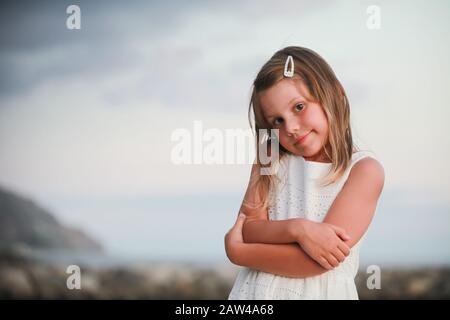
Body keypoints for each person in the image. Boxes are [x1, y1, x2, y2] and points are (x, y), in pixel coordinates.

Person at [224, 46, 385, 299]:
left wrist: (238, 253)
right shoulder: (269, 157)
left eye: (299, 107)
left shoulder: (363, 171)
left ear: (334, 94)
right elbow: (247, 228)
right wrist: (298, 229)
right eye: (277, 120)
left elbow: (316, 261)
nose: (291, 128)